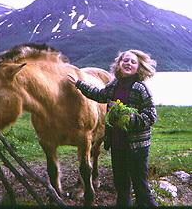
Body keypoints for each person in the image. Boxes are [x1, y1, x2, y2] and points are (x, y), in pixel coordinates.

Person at [67, 50, 157, 207]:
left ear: (139, 68)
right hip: (118, 145)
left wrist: (130, 118)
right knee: (121, 187)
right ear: (119, 64)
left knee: (141, 188)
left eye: (133, 62)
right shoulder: (114, 85)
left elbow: (151, 116)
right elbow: (99, 95)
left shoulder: (141, 89)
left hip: (137, 147)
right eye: (125, 60)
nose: (128, 63)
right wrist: (79, 84)